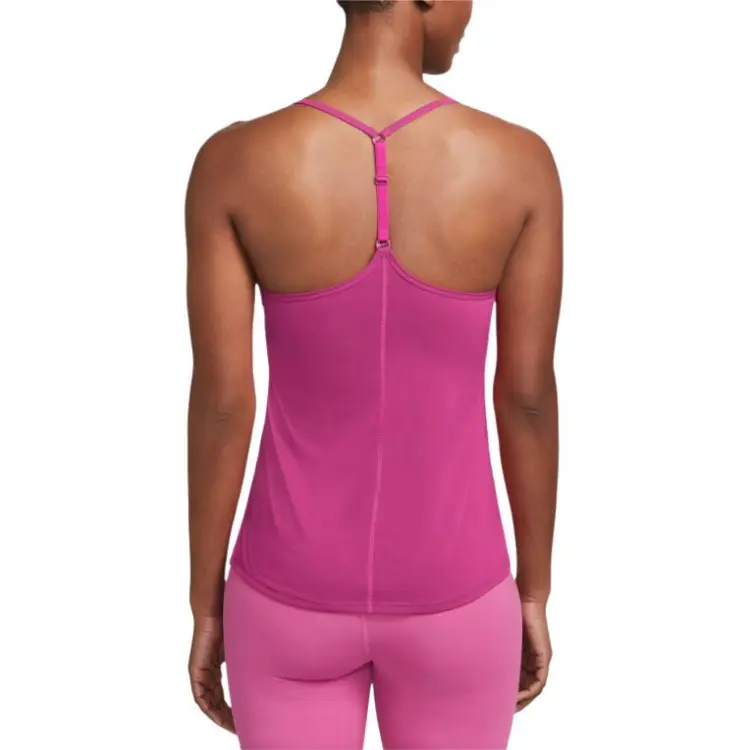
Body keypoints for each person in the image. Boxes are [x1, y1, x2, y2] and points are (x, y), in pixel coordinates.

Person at [185, 0, 562, 747]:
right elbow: (525, 398)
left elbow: (223, 404)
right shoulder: (518, 163)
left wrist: (205, 603)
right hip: (458, 600)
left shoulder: (233, 162)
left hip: (283, 597)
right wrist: (534, 590)